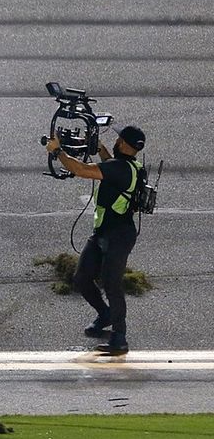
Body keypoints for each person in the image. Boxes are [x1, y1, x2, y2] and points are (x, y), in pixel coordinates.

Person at [45, 125, 147, 355]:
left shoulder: (119, 168)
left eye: (118, 138)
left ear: (122, 142)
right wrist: (99, 148)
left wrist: (57, 151)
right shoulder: (130, 167)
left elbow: (80, 169)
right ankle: (105, 314)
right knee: (82, 277)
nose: (116, 141)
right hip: (104, 231)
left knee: (112, 284)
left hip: (119, 235)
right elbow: (112, 167)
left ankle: (119, 337)